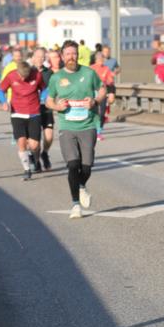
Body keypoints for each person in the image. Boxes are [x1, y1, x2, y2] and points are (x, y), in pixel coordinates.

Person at [45, 40, 105, 219]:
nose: (72, 57)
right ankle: (75, 205)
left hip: (87, 125)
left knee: (86, 166)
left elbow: (102, 89)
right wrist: (57, 107)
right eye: (68, 54)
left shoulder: (89, 73)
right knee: (72, 164)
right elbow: (49, 100)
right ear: (63, 57)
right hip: (67, 126)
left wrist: (95, 101)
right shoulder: (56, 78)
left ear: (78, 54)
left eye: (74, 53)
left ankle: (81, 186)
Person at [0, 53, 47, 180]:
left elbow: (44, 89)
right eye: (21, 76)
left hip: (34, 112)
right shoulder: (11, 75)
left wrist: (42, 98)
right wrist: (3, 102)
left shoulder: (37, 75)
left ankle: (35, 159)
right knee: (21, 142)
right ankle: (26, 170)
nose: (23, 79)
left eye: (26, 76)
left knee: (34, 145)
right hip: (17, 113)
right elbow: (0, 90)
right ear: (17, 72)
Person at [38, 48, 59, 170]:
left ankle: (44, 153)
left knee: (49, 136)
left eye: (43, 57)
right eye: (38, 56)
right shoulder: (30, 71)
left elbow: (55, 88)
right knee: (33, 139)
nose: (40, 59)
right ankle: (33, 157)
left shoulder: (49, 73)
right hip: (32, 107)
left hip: (46, 107)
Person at [90, 51, 117, 141]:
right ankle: (92, 130)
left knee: (102, 114)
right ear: (96, 59)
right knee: (94, 113)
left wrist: (112, 93)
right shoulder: (91, 68)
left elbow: (110, 82)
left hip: (103, 93)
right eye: (99, 59)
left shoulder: (106, 69)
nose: (101, 60)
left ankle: (99, 132)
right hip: (93, 93)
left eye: (102, 59)